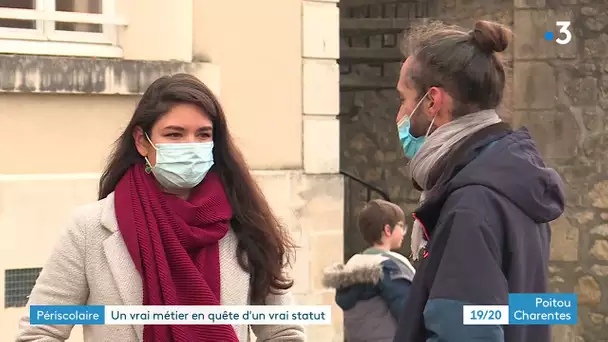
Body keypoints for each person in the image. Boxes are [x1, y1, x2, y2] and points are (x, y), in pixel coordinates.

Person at [16, 74, 306, 342]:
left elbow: (284, 331)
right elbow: (39, 330)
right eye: (174, 135)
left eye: (203, 134)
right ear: (142, 141)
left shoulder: (245, 223)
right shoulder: (90, 227)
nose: (190, 145)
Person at [392, 20, 565, 342]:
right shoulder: (513, 181)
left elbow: (464, 332)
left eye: (404, 99)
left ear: (432, 102)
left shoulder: (471, 205)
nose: (400, 117)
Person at [323, 199, 415, 342]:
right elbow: (409, 314)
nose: (404, 233)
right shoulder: (389, 267)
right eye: (401, 226)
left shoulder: (352, 266)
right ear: (388, 230)